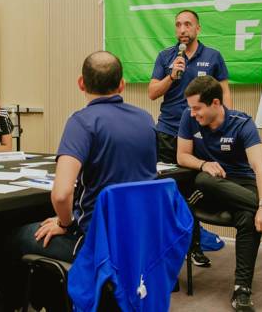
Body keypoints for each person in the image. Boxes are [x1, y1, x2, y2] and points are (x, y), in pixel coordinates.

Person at [176, 75, 262, 312]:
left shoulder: (242, 122)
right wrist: (203, 164)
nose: (193, 113)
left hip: (241, 185)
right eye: (191, 109)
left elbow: (260, 167)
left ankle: (242, 289)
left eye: (198, 108)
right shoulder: (189, 117)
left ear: (216, 103)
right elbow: (182, 156)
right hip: (208, 185)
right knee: (203, 180)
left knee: (251, 218)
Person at [15, 51, 157, 262]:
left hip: (96, 242)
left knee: (18, 236)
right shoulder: (146, 119)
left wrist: (65, 224)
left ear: (81, 83)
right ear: (122, 85)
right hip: (141, 236)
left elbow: (61, 194)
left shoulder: (82, 122)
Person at [148, 9, 232, 267]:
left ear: (197, 29)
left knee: (192, 192)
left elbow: (225, 95)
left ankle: (194, 246)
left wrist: (226, 127)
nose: (182, 29)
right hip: (167, 134)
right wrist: (171, 75)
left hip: (199, 137)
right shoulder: (166, 57)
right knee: (164, 192)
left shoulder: (213, 56)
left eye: (188, 24)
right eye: (178, 25)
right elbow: (152, 92)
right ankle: (164, 249)